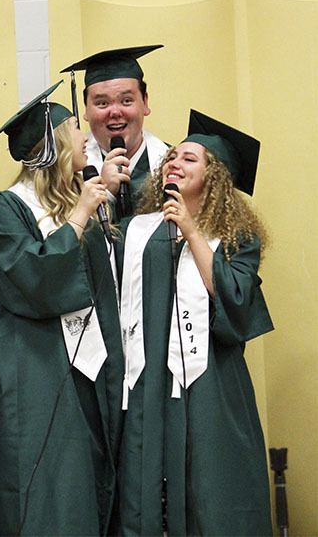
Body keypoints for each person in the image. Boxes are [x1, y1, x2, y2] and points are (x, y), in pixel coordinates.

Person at [115, 109, 274, 536]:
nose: (174, 163)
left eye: (189, 159)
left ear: (215, 177)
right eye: (172, 157)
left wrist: (190, 229)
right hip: (148, 382)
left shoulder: (239, 240)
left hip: (210, 383)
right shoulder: (136, 232)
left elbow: (235, 301)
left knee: (210, 483)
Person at [0, 81, 123, 536]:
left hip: (89, 372)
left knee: (89, 488)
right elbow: (35, 281)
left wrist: (99, 205)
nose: (84, 137)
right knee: (47, 495)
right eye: (72, 128)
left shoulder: (75, 199)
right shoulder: (7, 209)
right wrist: (80, 216)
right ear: (52, 147)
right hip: (40, 375)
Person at [60, 45, 169, 216]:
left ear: (145, 103)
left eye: (126, 101)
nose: (115, 112)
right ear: (86, 110)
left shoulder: (172, 166)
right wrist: (106, 191)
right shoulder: (66, 175)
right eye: (102, 103)